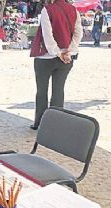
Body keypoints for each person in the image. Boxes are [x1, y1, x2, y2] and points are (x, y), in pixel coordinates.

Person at [29, 0, 82, 130]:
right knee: (59, 91)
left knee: (42, 91)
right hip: (66, 58)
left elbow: (48, 36)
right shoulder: (74, 10)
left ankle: (40, 123)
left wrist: (58, 53)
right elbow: (78, 33)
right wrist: (69, 51)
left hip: (46, 58)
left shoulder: (47, 9)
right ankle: (56, 124)